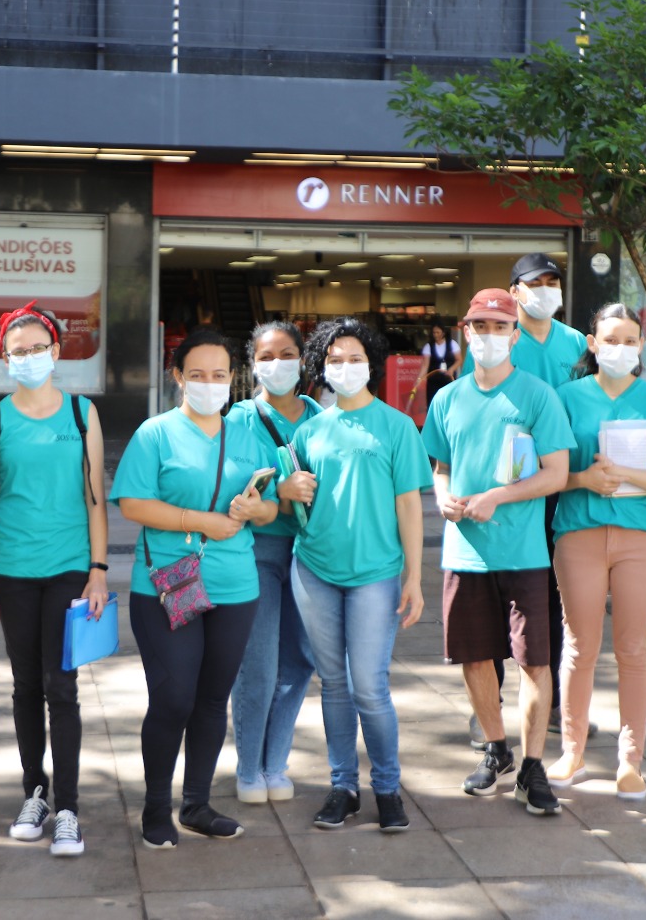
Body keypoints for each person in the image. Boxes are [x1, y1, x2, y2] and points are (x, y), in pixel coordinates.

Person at [109, 330, 280, 849]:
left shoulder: (249, 436)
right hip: (168, 584)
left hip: (235, 586)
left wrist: (257, 508)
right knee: (173, 698)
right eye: (198, 374)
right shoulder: (155, 434)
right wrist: (200, 520)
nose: (210, 383)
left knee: (211, 700)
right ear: (178, 377)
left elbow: (271, 507)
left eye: (220, 374)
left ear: (233, 379)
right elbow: (132, 503)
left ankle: (197, 805)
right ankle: (155, 807)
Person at [423, 290, 574, 817]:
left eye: (500, 326)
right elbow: (440, 467)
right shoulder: (447, 399)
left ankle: (532, 767)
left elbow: (556, 473)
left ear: (515, 335)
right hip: (464, 553)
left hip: (524, 552)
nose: (489, 335)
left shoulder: (537, 396)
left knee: (534, 661)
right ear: (466, 332)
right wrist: (443, 497)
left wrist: (498, 497)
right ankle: (496, 749)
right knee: (473, 656)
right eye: (480, 326)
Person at [0, 302, 108, 857]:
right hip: (11, 570)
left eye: (37, 348)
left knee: (62, 686)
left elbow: (95, 499)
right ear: (5, 359)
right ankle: (36, 793)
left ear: (56, 351)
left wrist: (99, 571)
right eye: (17, 350)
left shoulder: (81, 413)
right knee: (26, 685)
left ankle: (69, 807)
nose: (28, 357)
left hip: (70, 567)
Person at [285, 317, 431, 832]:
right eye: (334, 360)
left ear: (372, 363)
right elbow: (297, 500)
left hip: (376, 573)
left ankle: (387, 788)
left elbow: (409, 505)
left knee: (368, 686)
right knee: (333, 684)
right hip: (315, 569)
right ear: (321, 367)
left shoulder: (396, 426)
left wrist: (414, 577)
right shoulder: (309, 430)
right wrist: (286, 489)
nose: (345, 367)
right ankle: (343, 787)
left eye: (355, 358)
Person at [550, 304, 646, 800]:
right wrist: (584, 479)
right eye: (610, 339)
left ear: (641, 346)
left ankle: (631, 762)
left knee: (633, 649)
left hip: (640, 539)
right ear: (592, 343)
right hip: (579, 533)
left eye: (630, 340)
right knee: (579, 647)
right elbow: (548, 474)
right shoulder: (566, 397)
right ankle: (572, 752)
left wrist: (626, 474)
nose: (620, 348)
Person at [227, 322, 318, 804]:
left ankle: (274, 763)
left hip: (311, 555)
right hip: (257, 553)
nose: (277, 364)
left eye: (287, 354)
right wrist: (280, 493)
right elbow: (232, 493)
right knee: (258, 664)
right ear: (252, 364)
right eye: (266, 356)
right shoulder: (238, 419)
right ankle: (248, 769)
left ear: (302, 359)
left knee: (299, 661)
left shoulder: (322, 416)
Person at [407, 322, 462, 415]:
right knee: (432, 406)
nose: (436, 335)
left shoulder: (452, 344)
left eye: (438, 332)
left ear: (443, 333)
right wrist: (419, 379)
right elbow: (425, 365)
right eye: (434, 333)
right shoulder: (428, 346)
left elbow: (459, 360)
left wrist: (452, 369)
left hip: (449, 381)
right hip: (433, 381)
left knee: (448, 405)